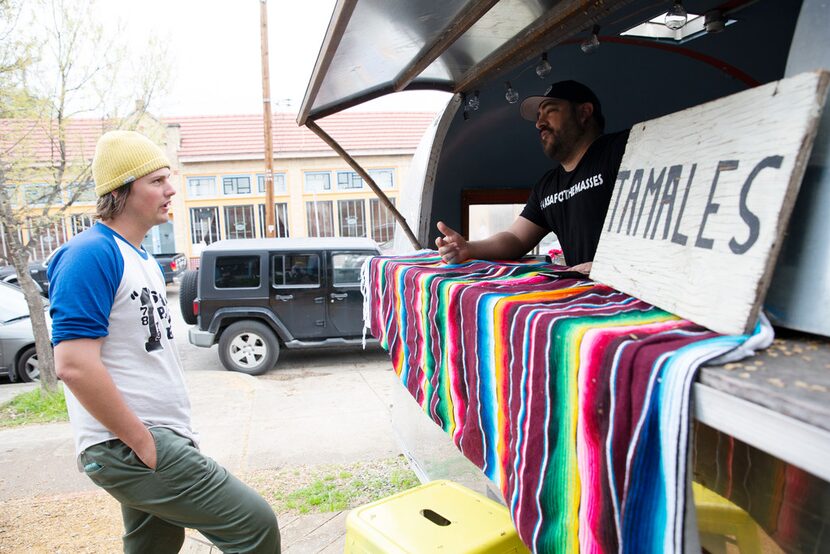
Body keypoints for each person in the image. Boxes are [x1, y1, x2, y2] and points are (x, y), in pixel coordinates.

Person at [48, 131, 280, 553]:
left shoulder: (140, 258)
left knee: (153, 546)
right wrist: (142, 442)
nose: (170, 188)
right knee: (254, 526)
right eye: (156, 181)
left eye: (168, 178)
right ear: (120, 191)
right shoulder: (90, 254)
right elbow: (73, 365)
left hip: (150, 438)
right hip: (126, 443)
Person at [436, 80, 630, 274]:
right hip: (591, 298)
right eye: (538, 116)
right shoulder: (548, 186)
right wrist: (468, 248)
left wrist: (605, 268)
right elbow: (516, 238)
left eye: (551, 111)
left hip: (641, 294)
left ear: (584, 112)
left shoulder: (624, 149)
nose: (539, 123)